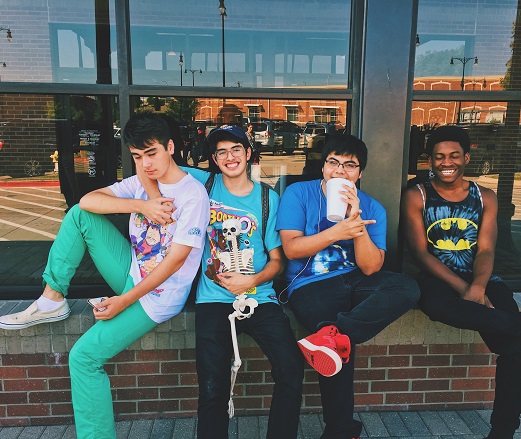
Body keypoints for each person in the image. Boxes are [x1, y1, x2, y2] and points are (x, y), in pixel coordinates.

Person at [0, 112, 210, 439]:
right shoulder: (141, 181)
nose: (146, 163)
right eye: (138, 156)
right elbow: (87, 200)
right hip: (130, 269)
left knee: (83, 358)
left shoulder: (192, 194)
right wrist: (142, 206)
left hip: (157, 295)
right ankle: (51, 299)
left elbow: (176, 262)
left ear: (170, 146)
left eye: (152, 153)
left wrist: (122, 301)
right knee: (79, 214)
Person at [139, 124, 304, 439]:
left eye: (236, 149)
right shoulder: (202, 184)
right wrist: (152, 202)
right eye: (222, 152)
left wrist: (252, 280)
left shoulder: (268, 198)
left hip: (258, 298)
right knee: (212, 386)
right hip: (213, 300)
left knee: (290, 368)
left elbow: (278, 261)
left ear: (248, 154)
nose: (230, 157)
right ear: (214, 159)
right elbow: (151, 168)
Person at [276, 133, 420, 439]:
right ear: (324, 166)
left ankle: (332, 338)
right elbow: (291, 249)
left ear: (360, 173)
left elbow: (371, 267)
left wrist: (356, 227)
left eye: (349, 166)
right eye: (333, 163)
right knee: (339, 346)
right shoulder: (298, 194)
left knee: (406, 289)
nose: (340, 171)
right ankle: (341, 431)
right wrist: (337, 230)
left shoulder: (372, 208)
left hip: (354, 279)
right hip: (308, 283)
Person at [401, 125, 521, 439]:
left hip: (483, 277)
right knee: (436, 305)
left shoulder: (486, 197)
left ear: (467, 157)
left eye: (454, 155)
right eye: (438, 157)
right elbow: (420, 253)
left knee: (516, 350)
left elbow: (486, 248)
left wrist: (479, 287)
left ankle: (502, 432)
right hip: (438, 280)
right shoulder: (418, 195)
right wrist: (465, 290)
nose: (446, 162)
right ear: (430, 161)